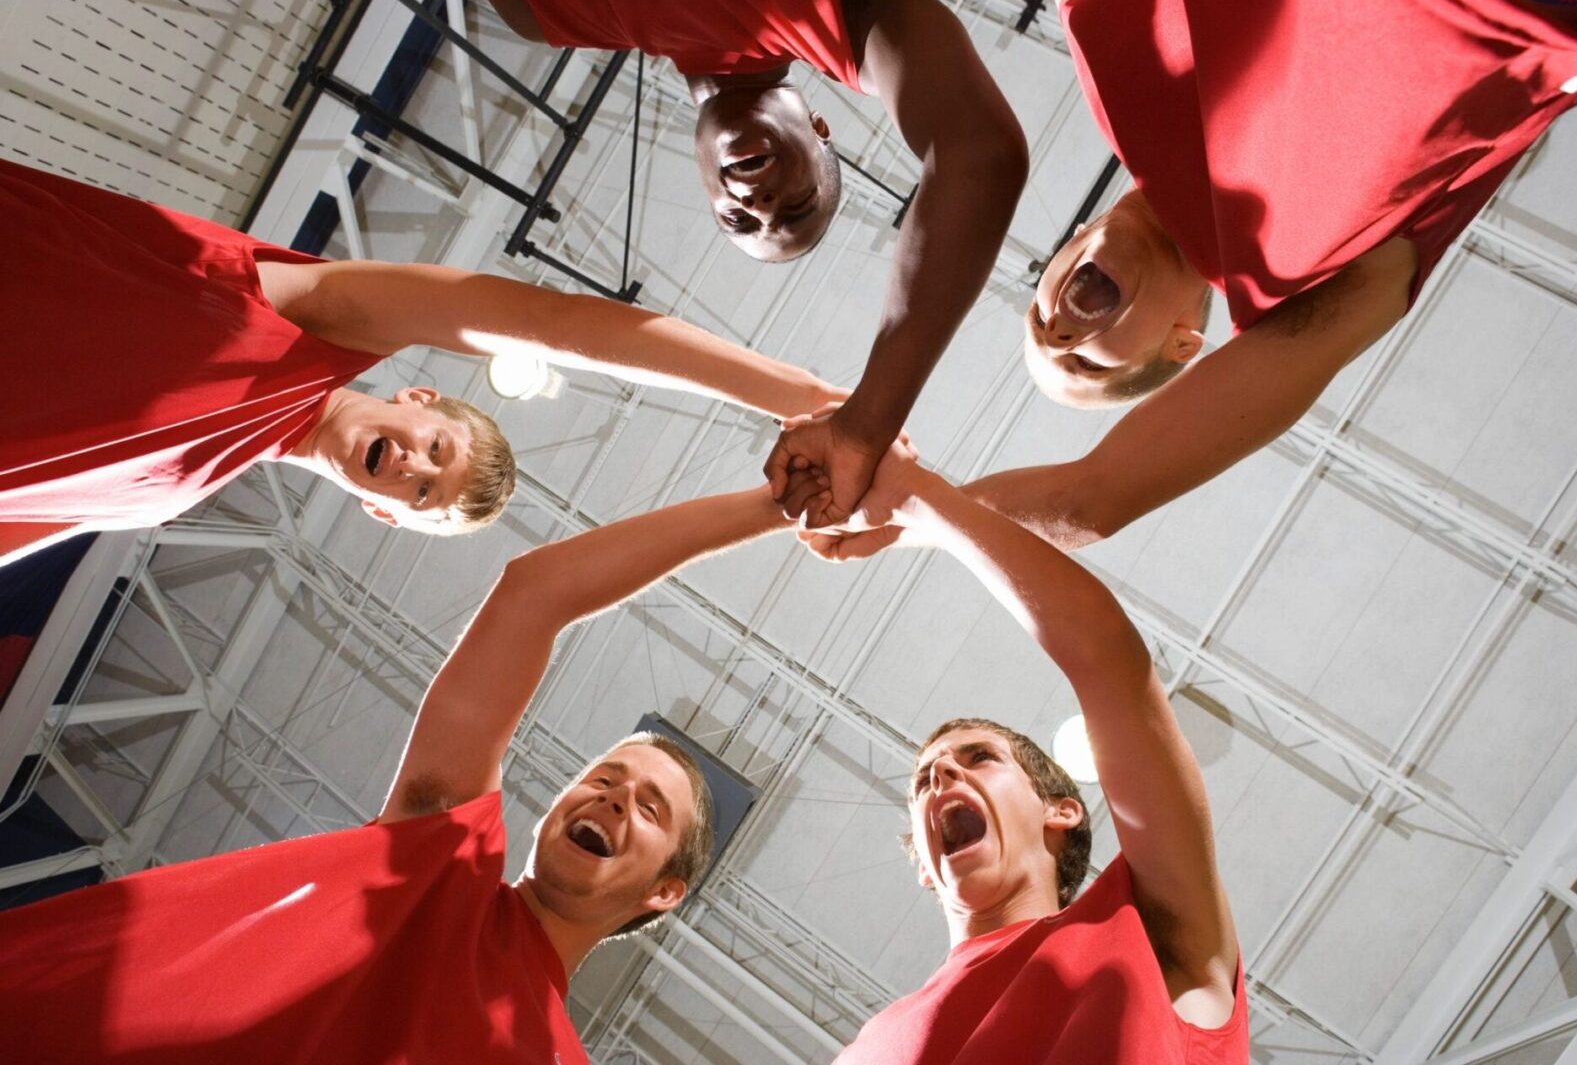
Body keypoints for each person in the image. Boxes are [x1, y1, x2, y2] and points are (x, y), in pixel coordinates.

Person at [0, 476, 804, 1062]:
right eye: (603, 778)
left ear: (666, 890)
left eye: (651, 810)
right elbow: (533, 592)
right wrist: (775, 504)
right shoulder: (438, 868)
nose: (615, 796)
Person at [788, 0, 1577, 549]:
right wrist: (912, 515)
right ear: (1187, 345)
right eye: (1080, 357)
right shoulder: (1307, 292)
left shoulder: (1106, 53)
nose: (1059, 325)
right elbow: (1093, 497)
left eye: (1037, 317)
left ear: (1070, 240)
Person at [1, 159, 844, 567]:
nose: (411, 469)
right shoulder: (317, 324)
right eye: (435, 450)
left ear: (385, 517)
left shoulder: (167, 494)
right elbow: (560, 326)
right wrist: (796, 397)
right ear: (418, 396)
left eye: (421, 495)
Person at [482, 0, 1029, 526]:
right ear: (819, 131)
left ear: (705, 183)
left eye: (739, 219)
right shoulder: (846, 15)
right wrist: (864, 428)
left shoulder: (549, 13)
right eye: (796, 204)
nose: (763, 204)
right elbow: (979, 155)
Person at [781, 448, 1246, 1061]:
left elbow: (1108, 660)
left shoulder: (1151, 928)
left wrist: (913, 496)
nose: (940, 773)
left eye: (979, 759)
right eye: (922, 781)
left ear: (1062, 811)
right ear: (924, 866)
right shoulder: (864, 1050)